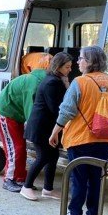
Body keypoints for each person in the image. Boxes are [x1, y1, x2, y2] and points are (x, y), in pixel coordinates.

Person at [49, 46, 108, 215]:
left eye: (81, 58)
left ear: (90, 62)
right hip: (105, 140)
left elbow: (66, 111)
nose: (78, 61)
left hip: (80, 138)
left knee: (79, 178)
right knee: (96, 178)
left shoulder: (79, 83)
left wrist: (54, 133)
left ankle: (75, 214)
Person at [0, 53, 51, 192]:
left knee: (20, 147)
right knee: (15, 148)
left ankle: (20, 179)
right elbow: (31, 111)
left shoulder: (39, 79)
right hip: (6, 113)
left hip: (15, 115)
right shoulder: (34, 84)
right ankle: (9, 179)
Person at [20, 52, 72, 201]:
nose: (69, 70)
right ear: (58, 66)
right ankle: (26, 186)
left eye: (70, 67)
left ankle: (48, 189)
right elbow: (56, 108)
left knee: (53, 156)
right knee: (43, 157)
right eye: (67, 67)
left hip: (46, 127)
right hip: (41, 127)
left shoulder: (54, 79)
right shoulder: (52, 82)